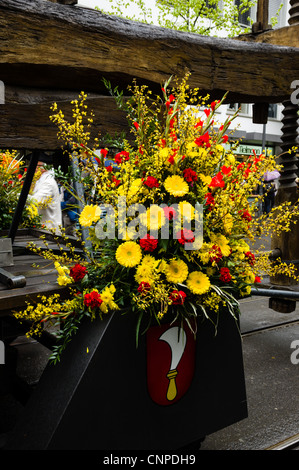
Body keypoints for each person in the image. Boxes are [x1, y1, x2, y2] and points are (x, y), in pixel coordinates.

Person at [30, 161, 62, 233]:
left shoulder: (48, 182)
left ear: (45, 168)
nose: (34, 168)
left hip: (49, 230)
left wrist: (18, 196)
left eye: (37, 166)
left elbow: (37, 200)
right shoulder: (40, 180)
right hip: (42, 228)